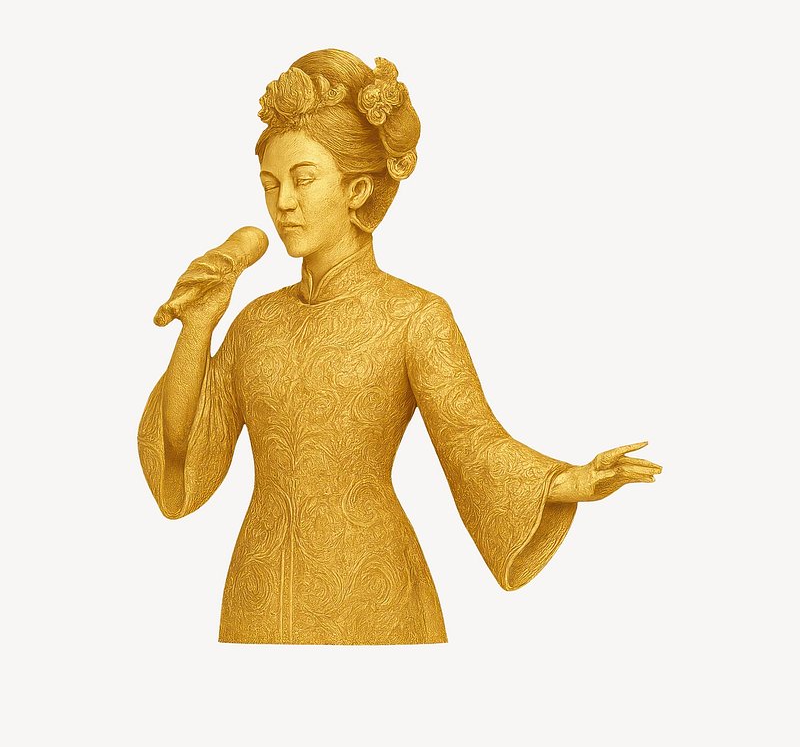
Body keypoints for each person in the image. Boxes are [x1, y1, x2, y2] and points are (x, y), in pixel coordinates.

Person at [137, 49, 661, 645]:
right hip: (257, 594)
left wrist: (570, 483)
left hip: (375, 592)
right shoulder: (255, 322)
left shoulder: (415, 316)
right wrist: (198, 326)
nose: (283, 203)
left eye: (303, 179)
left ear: (358, 188)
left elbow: (473, 444)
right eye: (270, 184)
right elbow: (181, 452)